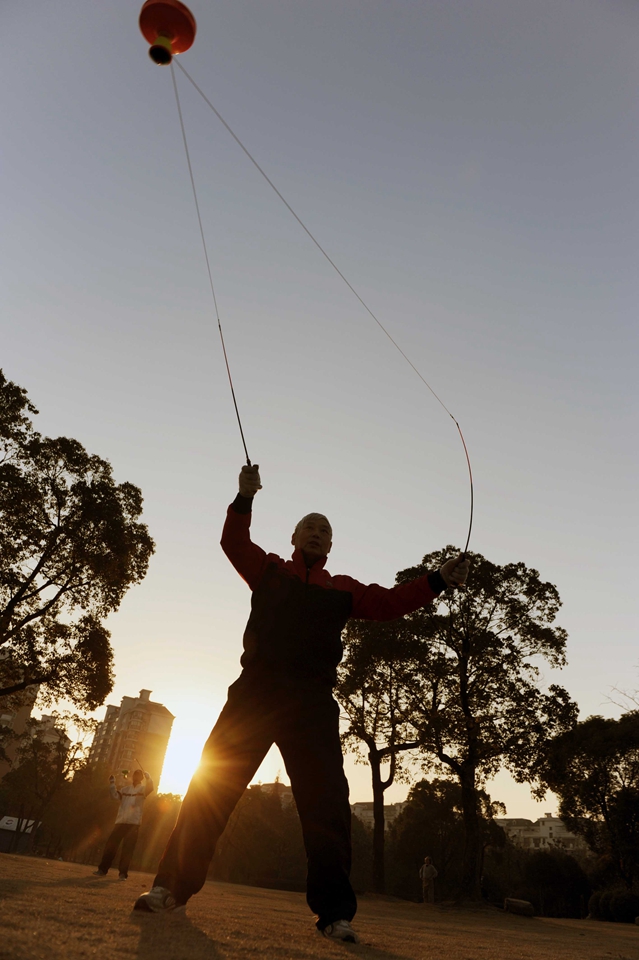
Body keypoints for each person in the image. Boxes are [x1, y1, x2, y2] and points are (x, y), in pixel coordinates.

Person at [134, 465, 469, 942]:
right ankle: (170, 888)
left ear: (330, 546)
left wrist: (438, 579)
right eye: (309, 526)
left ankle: (335, 916)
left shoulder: (343, 589)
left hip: (312, 704)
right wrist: (244, 497)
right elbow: (234, 543)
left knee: (326, 807)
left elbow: (391, 602)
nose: (316, 533)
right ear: (293, 537)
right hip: (255, 695)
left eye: (324, 530)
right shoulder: (269, 569)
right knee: (211, 792)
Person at [93, 767, 153, 880]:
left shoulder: (143, 790)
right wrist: (112, 783)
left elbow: (151, 788)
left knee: (127, 850)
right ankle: (102, 870)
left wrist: (149, 778)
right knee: (111, 846)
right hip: (120, 822)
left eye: (138, 775)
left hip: (133, 823)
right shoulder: (125, 789)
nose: (136, 777)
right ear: (132, 777)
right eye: (135, 775)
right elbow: (114, 796)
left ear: (141, 778)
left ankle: (123, 874)